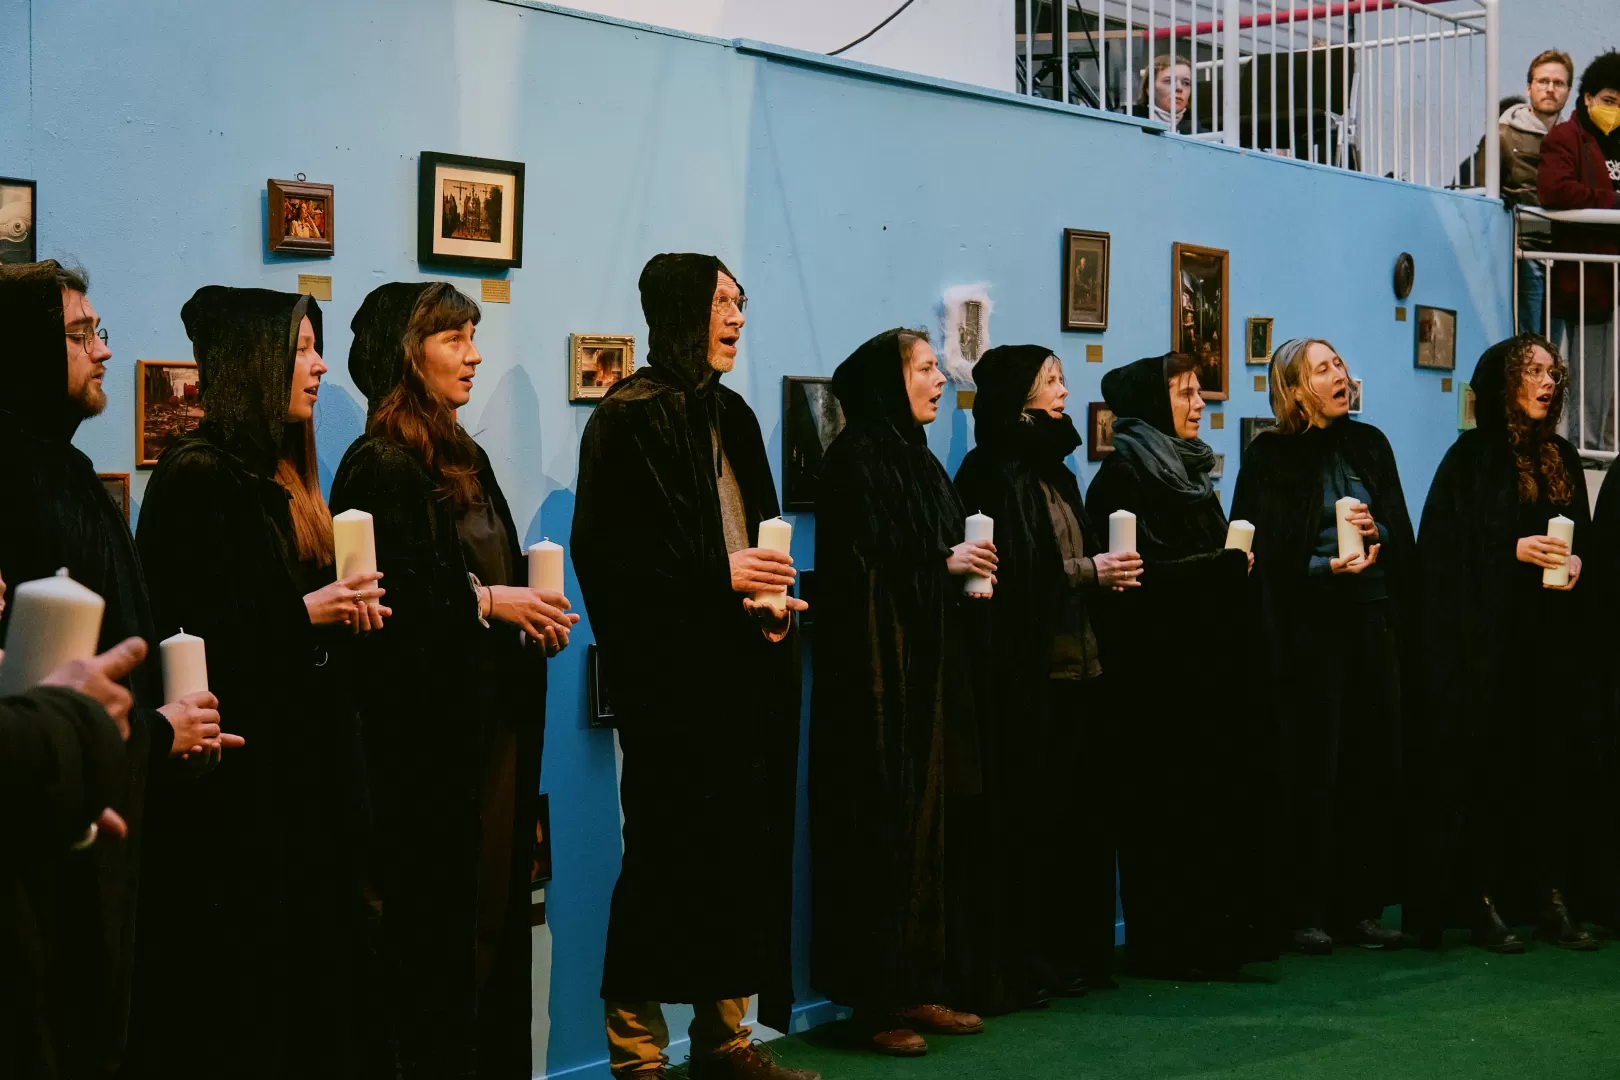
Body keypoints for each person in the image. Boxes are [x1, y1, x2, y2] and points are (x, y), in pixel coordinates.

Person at [127, 287, 386, 1077]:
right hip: (238, 800)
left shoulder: (270, 475)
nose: (316, 365)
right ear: (254, 362)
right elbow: (191, 637)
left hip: (295, 787)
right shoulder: (200, 477)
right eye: (301, 349)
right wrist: (304, 615)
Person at [573, 254, 814, 1080]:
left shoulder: (736, 416)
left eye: (740, 302)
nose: (735, 318)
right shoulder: (624, 421)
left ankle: (727, 1044)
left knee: (738, 866)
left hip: (742, 682)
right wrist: (722, 580)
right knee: (661, 869)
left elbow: (763, 535)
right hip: (672, 693)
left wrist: (777, 605)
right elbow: (608, 563)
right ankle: (638, 1060)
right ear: (679, 309)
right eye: (720, 302)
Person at [331, 281, 575, 1078]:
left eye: (474, 336)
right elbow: (395, 606)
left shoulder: (461, 454)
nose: (473, 355)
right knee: (440, 932)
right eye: (453, 339)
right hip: (432, 749)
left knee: (490, 923)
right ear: (409, 356)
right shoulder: (380, 464)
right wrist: (492, 601)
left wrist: (526, 615)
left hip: (491, 725)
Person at [0, 260, 226, 1079]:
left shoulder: (57, 473)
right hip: (56, 854)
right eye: (78, 333)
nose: (100, 350)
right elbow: (45, 691)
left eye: (98, 331)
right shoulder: (26, 483)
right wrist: (157, 734)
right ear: (26, 349)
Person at [811, 327, 994, 1057]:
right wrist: (940, 561)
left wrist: (966, 567)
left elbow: (931, 553)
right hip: (877, 683)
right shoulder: (853, 463)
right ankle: (873, 1000)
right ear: (889, 382)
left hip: (929, 672)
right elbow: (862, 573)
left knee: (931, 828)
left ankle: (918, 982)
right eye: (924, 369)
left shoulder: (921, 465)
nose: (939, 380)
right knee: (881, 827)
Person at [1085, 352, 1276, 979]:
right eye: (1186, 393)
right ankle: (1171, 943)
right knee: (1165, 808)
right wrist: (1214, 570)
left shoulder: (1192, 476)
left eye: (1199, 392)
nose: (1200, 404)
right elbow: (1130, 579)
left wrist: (1232, 565)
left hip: (1207, 671)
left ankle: (1218, 936)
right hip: (1156, 679)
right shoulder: (1121, 479)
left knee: (1210, 805)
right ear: (1152, 402)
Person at [950, 345, 1128, 1011]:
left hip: (1083, 668)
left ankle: (1070, 955)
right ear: (1017, 396)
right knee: (1035, 825)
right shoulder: (989, 472)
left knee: (1076, 824)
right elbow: (1015, 575)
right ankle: (1029, 961)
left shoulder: (1059, 471)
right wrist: (1092, 574)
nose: (1062, 390)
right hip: (1033, 677)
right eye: (1050, 380)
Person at [1415, 334, 1601, 953]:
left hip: (1551, 639)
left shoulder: (1564, 456)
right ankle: (1483, 898)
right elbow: (1440, 553)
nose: (1548, 383)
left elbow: (1587, 543)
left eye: (1554, 372)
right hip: (1489, 644)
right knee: (1489, 771)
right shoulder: (1470, 458)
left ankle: (1550, 896)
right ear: (1506, 384)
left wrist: (1576, 566)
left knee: (1549, 768)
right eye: (1535, 372)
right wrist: (1510, 552)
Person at [1230, 338, 1417, 955]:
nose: (1340, 376)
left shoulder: (1370, 444)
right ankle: (1303, 906)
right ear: (1295, 388)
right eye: (1322, 369)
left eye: (1339, 363)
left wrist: (1376, 530)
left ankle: (1360, 906)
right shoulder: (1272, 456)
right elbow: (1260, 548)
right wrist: (1319, 566)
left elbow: (1398, 525)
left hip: (1371, 617)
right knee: (1314, 765)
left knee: (1372, 760)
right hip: (1309, 629)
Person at [1538, 49, 1620, 453]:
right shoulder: (1564, 138)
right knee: (1560, 369)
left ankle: (1593, 447)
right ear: (1586, 98)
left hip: (1606, 280)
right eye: (1608, 100)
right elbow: (1555, 190)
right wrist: (1611, 202)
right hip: (1574, 276)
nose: (1615, 109)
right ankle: (1571, 450)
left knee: (1600, 377)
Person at [1503, 51, 1575, 334]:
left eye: (1558, 83)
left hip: (1563, 254)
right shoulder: (1504, 133)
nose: (1550, 88)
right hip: (1524, 251)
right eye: (1543, 80)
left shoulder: (1574, 138)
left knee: (1552, 348)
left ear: (1569, 91)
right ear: (1528, 87)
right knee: (1528, 341)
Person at [1133, 54, 1192, 134]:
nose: (1179, 88)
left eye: (1186, 83)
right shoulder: (1128, 122)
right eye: (1169, 81)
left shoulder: (1201, 134)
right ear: (1149, 88)